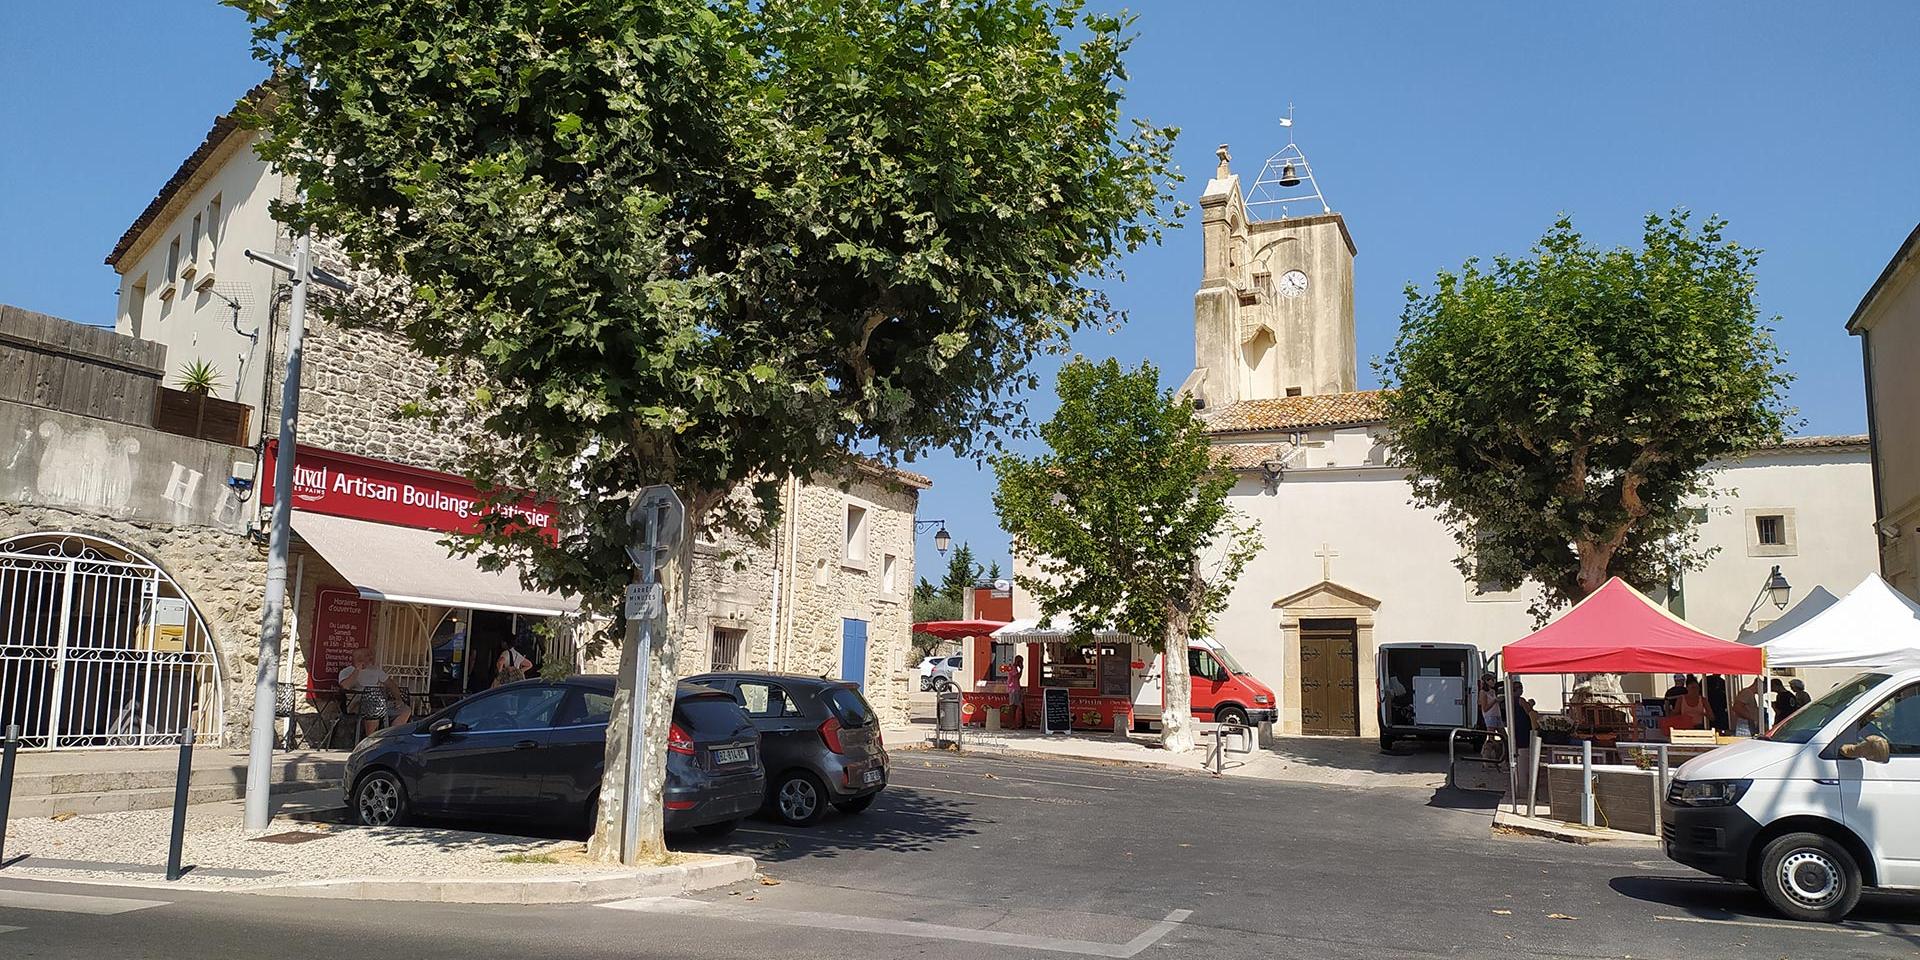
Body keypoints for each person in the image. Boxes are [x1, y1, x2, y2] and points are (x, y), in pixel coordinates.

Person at [339, 647, 413, 737]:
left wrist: (398, 699)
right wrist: (357, 670)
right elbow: (345, 686)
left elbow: (391, 685)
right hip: (358, 704)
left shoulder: (375, 670)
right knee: (372, 708)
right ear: (359, 658)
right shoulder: (346, 671)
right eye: (367, 655)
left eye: (371, 655)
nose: (371, 657)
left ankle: (391, 736)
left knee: (405, 710)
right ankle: (371, 739)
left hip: (379, 703)